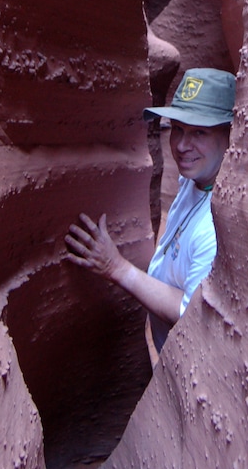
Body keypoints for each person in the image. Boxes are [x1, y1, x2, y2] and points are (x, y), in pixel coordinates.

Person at [64, 67, 236, 353]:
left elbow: (189, 314)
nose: (181, 145)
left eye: (199, 132)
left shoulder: (216, 229)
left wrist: (115, 267)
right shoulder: (197, 178)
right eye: (177, 128)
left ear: (232, 133)